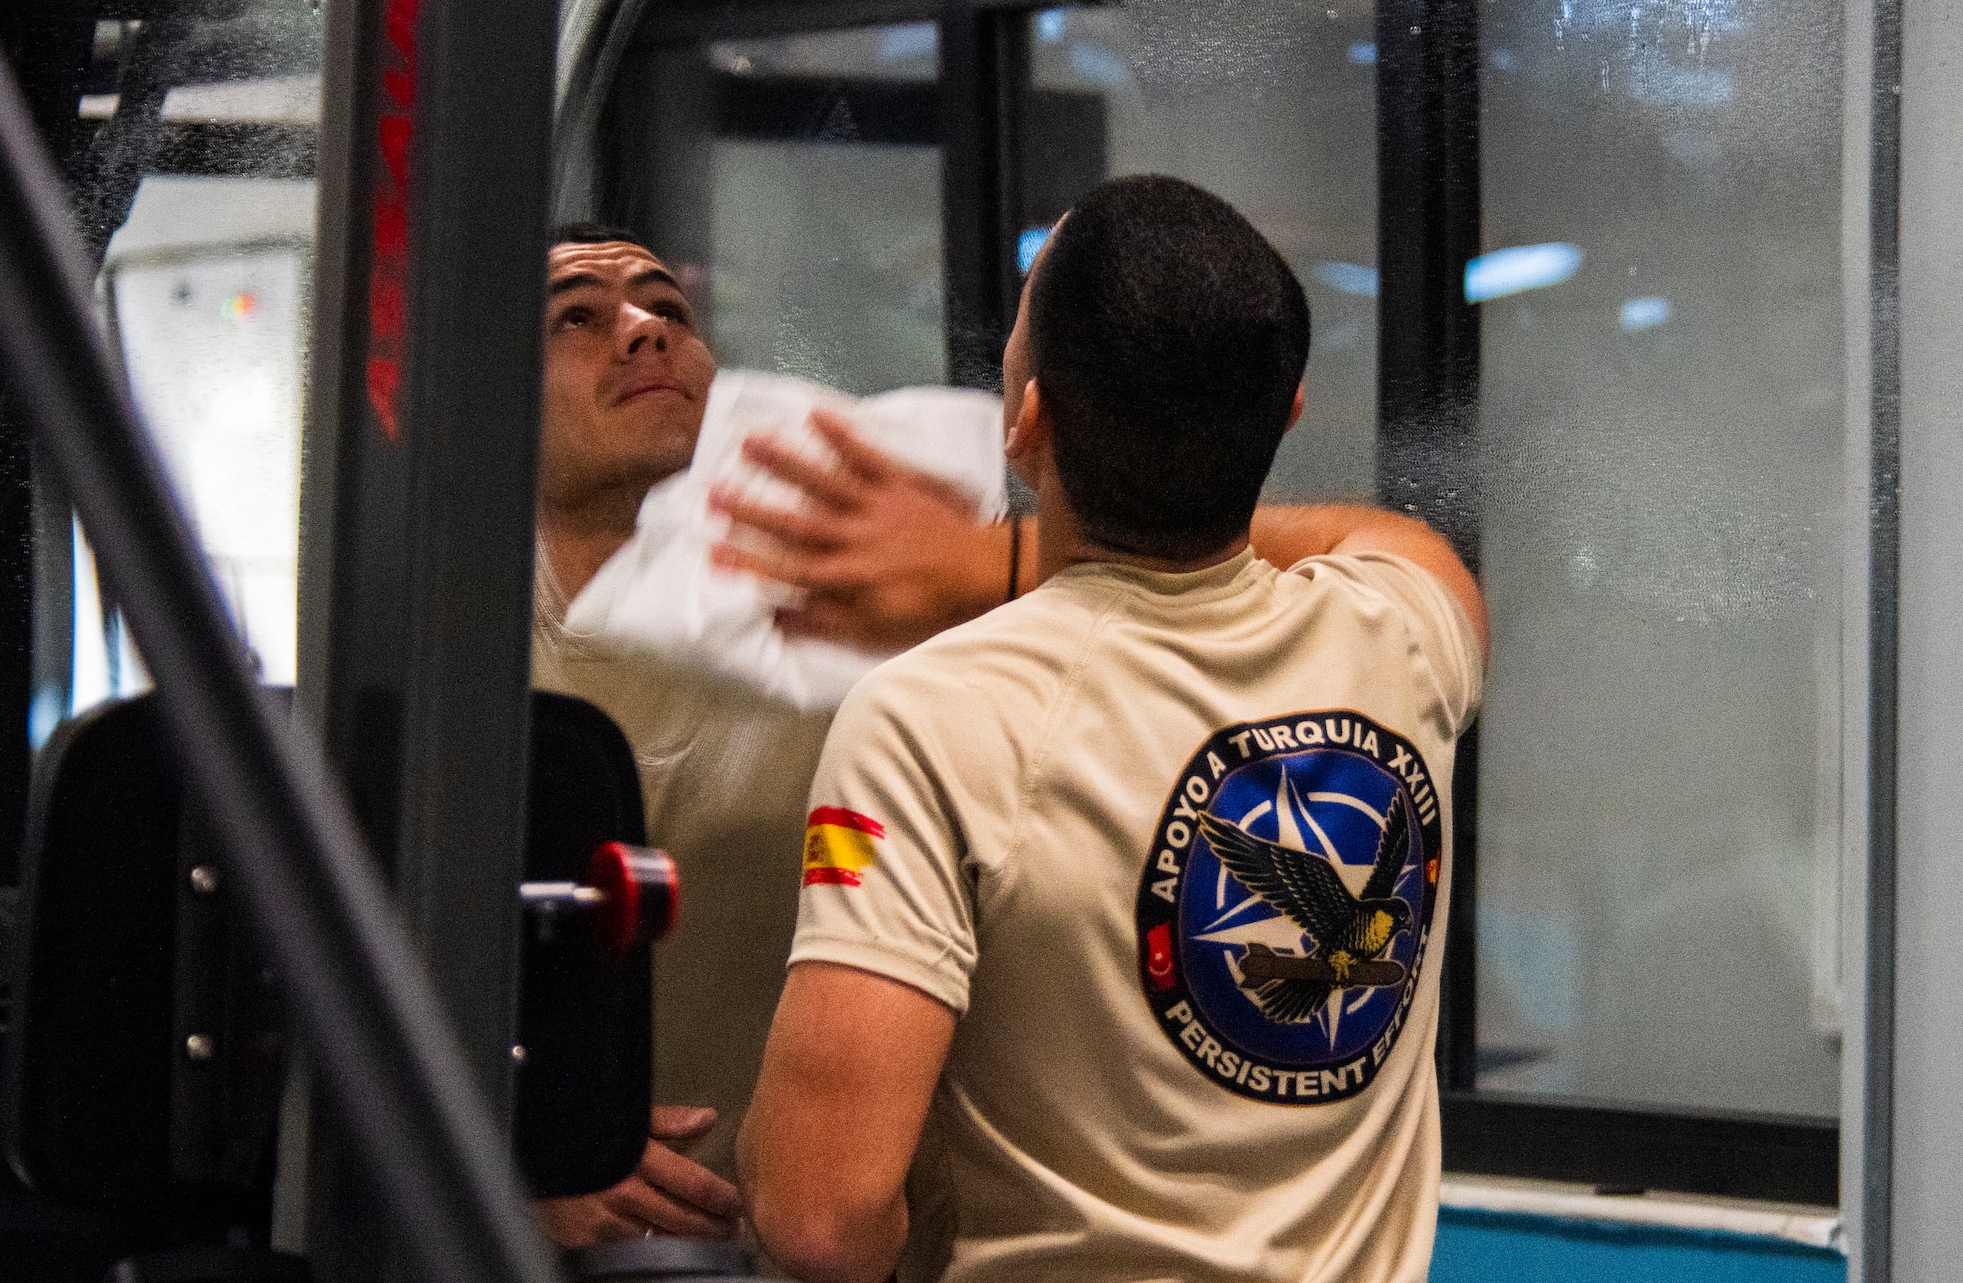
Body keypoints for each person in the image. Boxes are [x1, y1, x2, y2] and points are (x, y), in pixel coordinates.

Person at [736, 176, 1489, 1283]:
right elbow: (1390, 534)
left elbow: (820, 1216)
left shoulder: (933, 717)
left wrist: (985, 562)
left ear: (1026, 420)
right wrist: (988, 560)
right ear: (1285, 417)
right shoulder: (1405, 635)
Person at [527, 224, 1026, 1247]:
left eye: (669, 311)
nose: (643, 331)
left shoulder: (848, 606)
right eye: (577, 316)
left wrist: (995, 564)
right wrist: (516, 1163)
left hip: (868, 1245)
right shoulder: (448, 672)